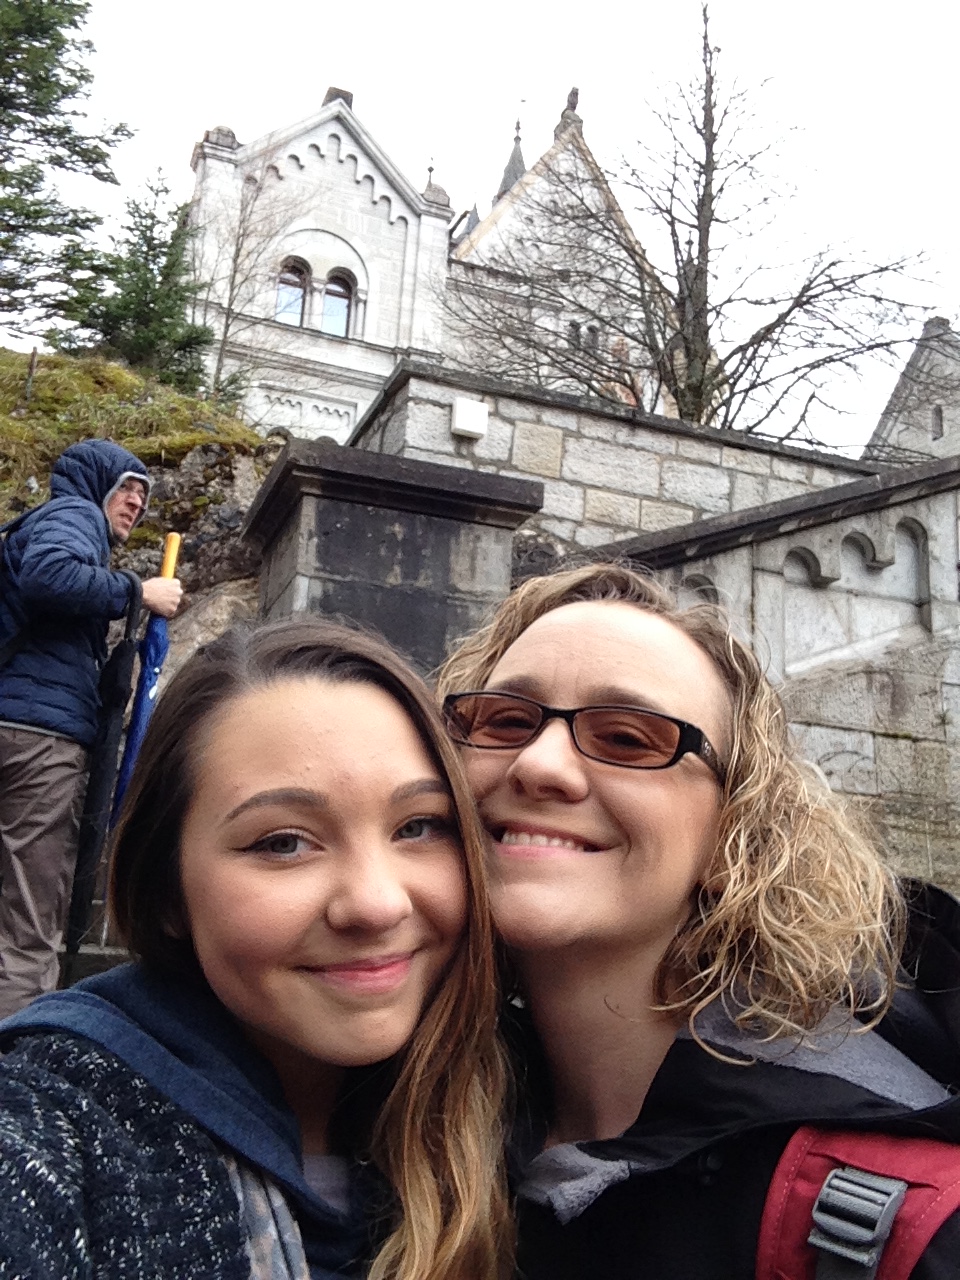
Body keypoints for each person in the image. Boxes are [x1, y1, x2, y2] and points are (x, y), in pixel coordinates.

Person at [437, 563, 960, 1279]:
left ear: (732, 835)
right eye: (504, 721)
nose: (539, 764)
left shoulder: (903, 1219)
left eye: (628, 738)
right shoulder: (411, 1133)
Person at [0, 618, 509, 1279]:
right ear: (166, 891)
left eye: (418, 827)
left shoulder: (515, 1112)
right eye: (283, 842)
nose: (378, 904)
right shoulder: (51, 1124)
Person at [0, 437, 182, 1014]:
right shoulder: (75, 515)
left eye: (144, 496)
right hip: (38, 741)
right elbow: (49, 575)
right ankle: (15, 1054)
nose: (136, 503)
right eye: (127, 488)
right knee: (30, 916)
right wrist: (139, 592)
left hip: (18, 721)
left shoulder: (40, 525)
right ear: (95, 483)